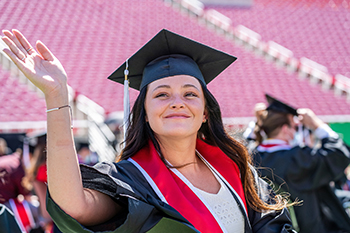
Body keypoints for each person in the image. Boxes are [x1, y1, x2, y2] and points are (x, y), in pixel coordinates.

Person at [2, 28, 296, 233]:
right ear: (143, 112)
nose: (177, 102)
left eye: (190, 94)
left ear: (206, 112)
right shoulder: (133, 182)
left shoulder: (236, 169)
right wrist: (56, 97)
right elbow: (75, 205)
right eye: (162, 94)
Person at [252, 94, 350, 233]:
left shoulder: (250, 156)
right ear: (285, 129)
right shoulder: (297, 159)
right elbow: (338, 154)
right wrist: (316, 124)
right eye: (294, 127)